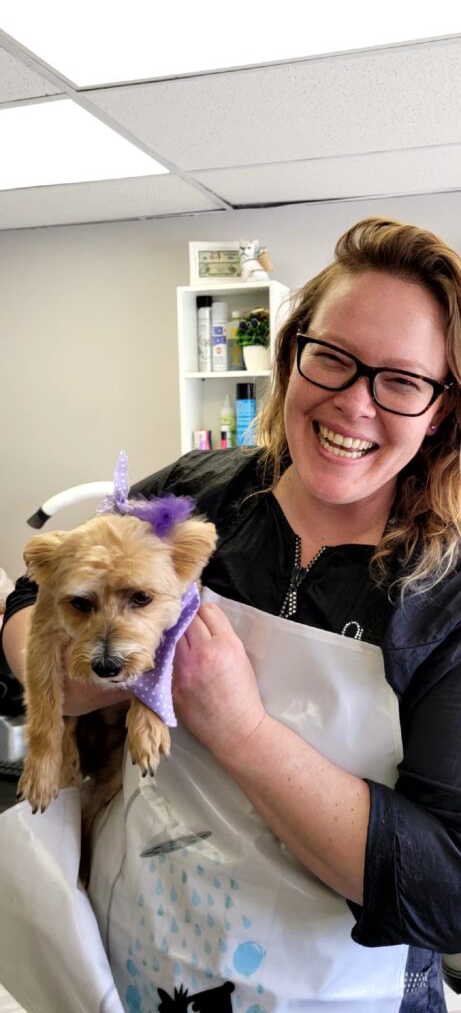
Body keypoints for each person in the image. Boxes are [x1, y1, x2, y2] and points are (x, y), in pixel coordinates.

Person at [4, 215, 461, 1012]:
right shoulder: (198, 493)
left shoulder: (445, 594)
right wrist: (93, 672)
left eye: (399, 380)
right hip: (136, 952)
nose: (352, 403)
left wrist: (240, 730)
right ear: (291, 355)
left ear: (440, 411)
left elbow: (445, 888)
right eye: (331, 356)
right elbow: (27, 605)